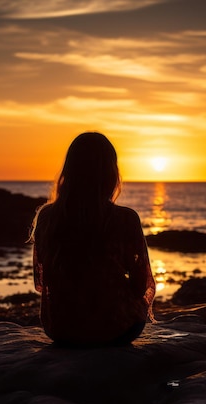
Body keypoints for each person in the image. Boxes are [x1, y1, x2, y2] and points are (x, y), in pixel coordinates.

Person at [30, 132, 156, 347]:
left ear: (69, 171)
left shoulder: (47, 217)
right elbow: (139, 285)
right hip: (116, 329)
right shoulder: (125, 218)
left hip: (60, 329)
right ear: (111, 173)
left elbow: (42, 281)